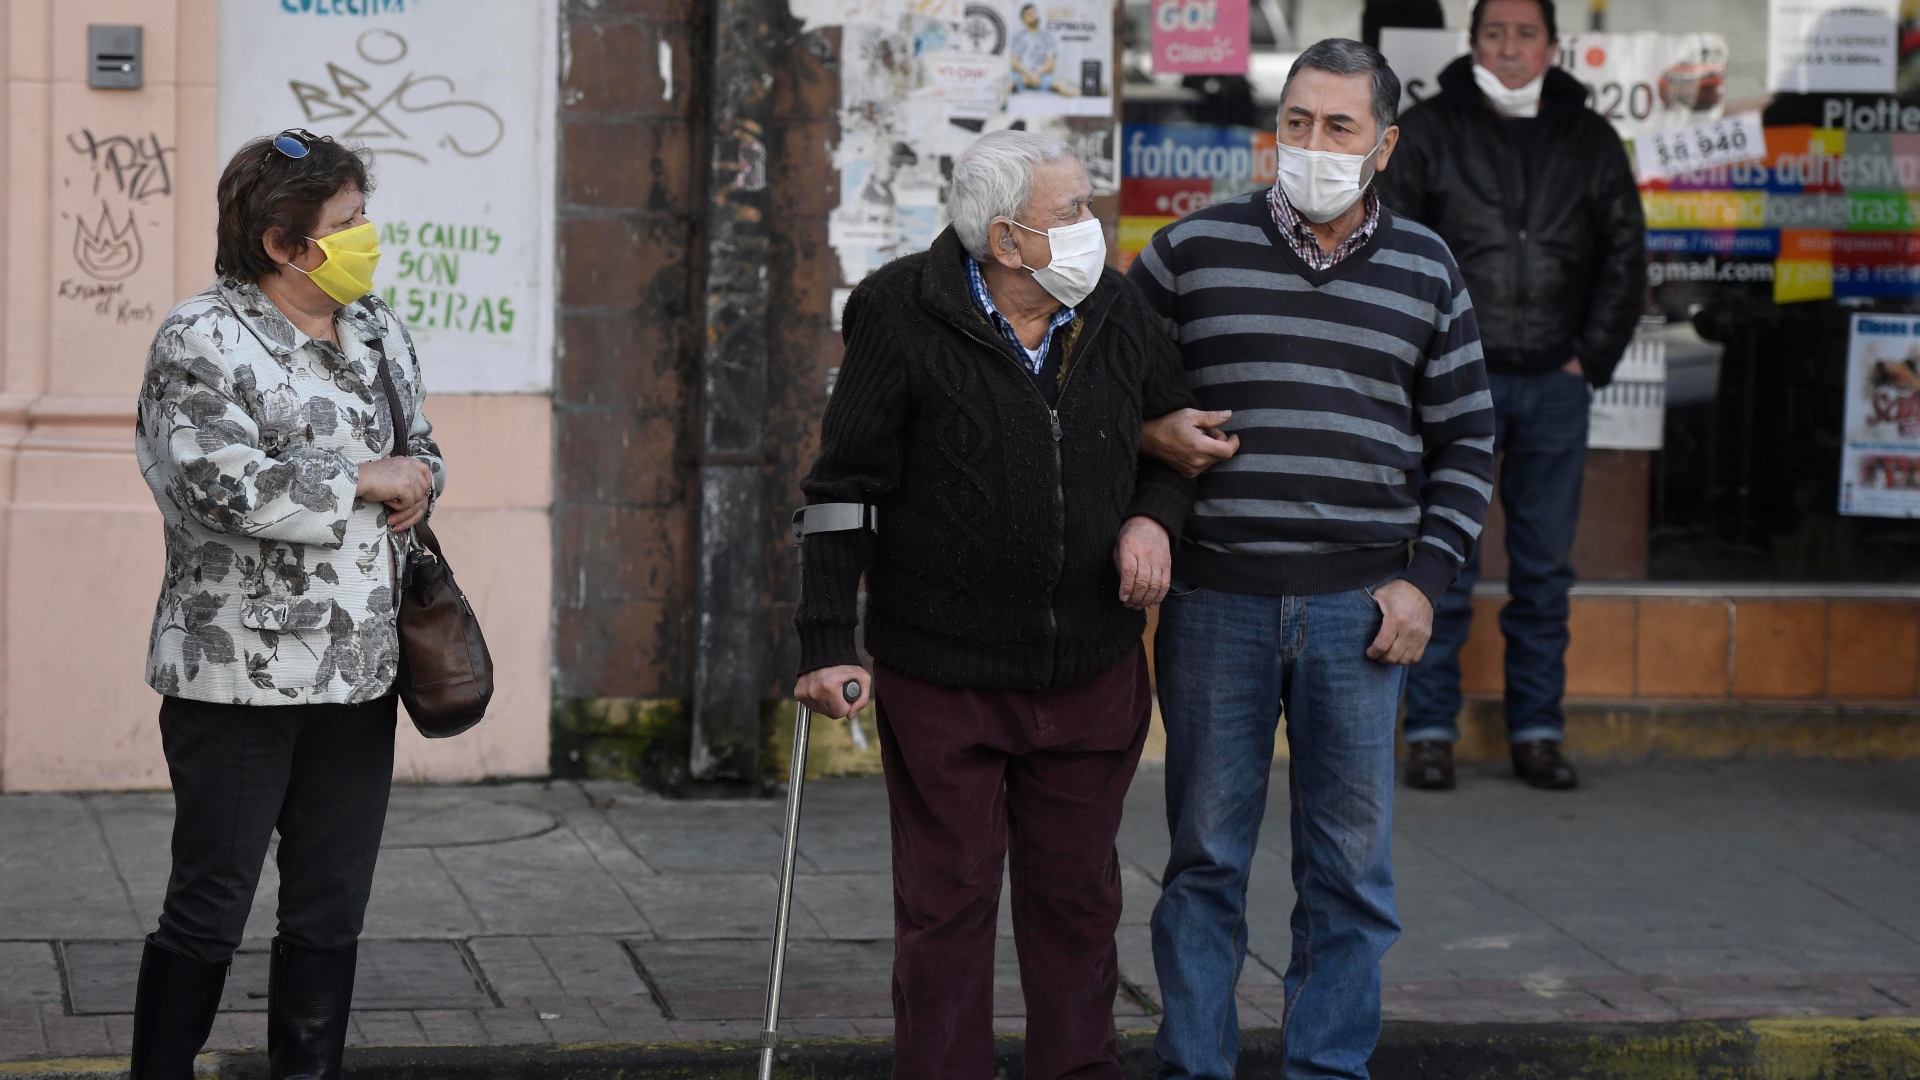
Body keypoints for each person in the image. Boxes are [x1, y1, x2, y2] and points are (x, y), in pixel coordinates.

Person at [792, 129, 1194, 1080]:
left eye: (1091, 205)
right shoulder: (898, 309)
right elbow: (843, 485)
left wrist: (1154, 521)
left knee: (1078, 906)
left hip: (1090, 668)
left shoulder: (1115, 305)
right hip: (944, 673)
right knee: (947, 907)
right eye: (1073, 213)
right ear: (1007, 242)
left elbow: (1173, 446)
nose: (1094, 228)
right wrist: (824, 642)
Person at [1128, 39, 1495, 1080]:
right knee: (1203, 865)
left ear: (1383, 145)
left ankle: (1326, 1068)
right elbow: (1107, 384)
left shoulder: (1426, 266)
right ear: (1273, 129)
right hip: (1215, 605)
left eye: (1339, 128)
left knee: (1349, 875)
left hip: (1360, 615)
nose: (1314, 145)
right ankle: (1193, 1067)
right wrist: (1153, 436)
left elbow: (1468, 435)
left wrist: (1425, 580)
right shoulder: (1189, 253)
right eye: (1297, 122)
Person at [130, 129, 443, 1078]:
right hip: (236, 678)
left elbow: (421, 448)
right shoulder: (203, 337)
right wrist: (364, 477)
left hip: (359, 670)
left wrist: (420, 476)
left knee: (330, 907)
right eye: (346, 223)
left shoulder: (376, 326)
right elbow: (215, 488)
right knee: (210, 904)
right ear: (282, 241)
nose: (366, 237)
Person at [1376, 0, 1647, 791]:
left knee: (1543, 569)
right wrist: (1428, 365)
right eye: (1495, 33)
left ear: (1554, 48)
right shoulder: (1429, 130)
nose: (1510, 48)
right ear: (1473, 44)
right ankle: (1430, 729)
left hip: (1556, 384)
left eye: (1526, 34)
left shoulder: (1589, 137)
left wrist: (1587, 359)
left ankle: (1537, 727)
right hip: (1460, 385)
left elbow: (1626, 254)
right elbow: (1394, 253)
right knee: (1443, 563)